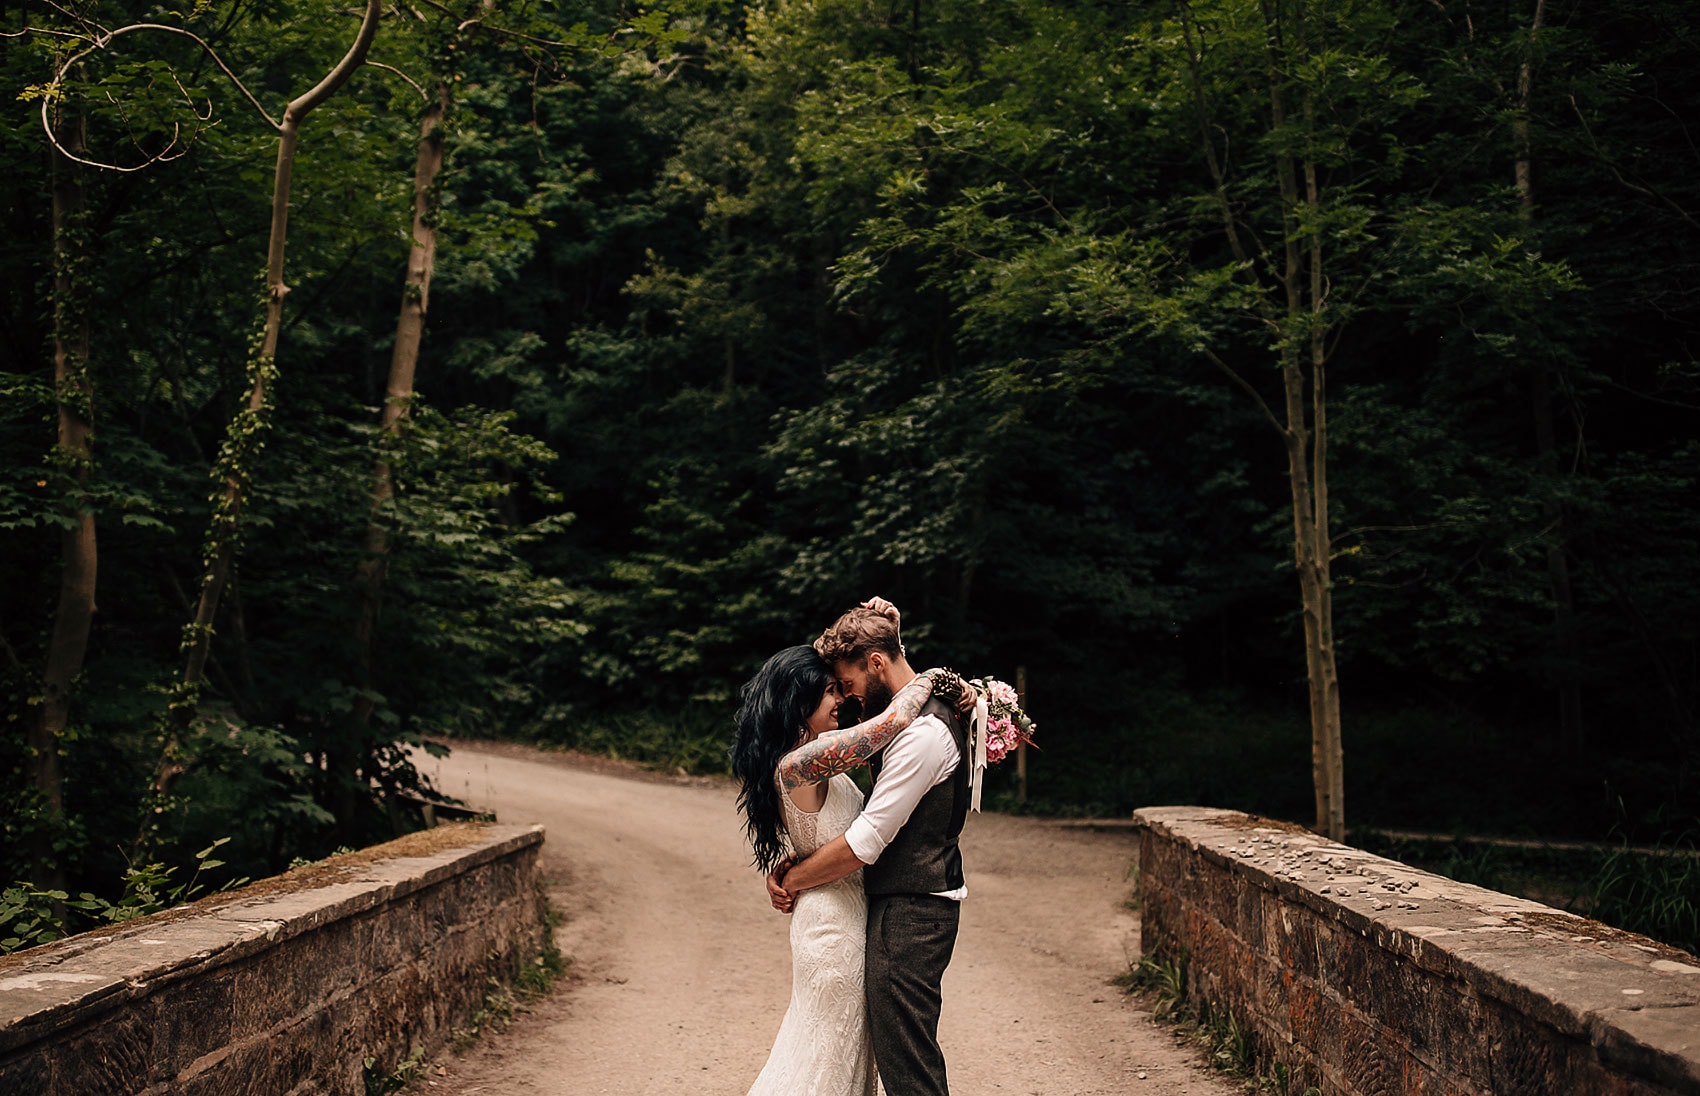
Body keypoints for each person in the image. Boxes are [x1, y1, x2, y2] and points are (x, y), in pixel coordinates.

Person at [731, 611, 968, 1096]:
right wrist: (933, 682)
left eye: (842, 686)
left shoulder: (817, 761)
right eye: (831, 690)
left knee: (841, 1053)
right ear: (799, 704)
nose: (842, 697)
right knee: (825, 1053)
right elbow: (894, 721)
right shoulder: (801, 763)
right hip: (832, 926)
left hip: (850, 911)